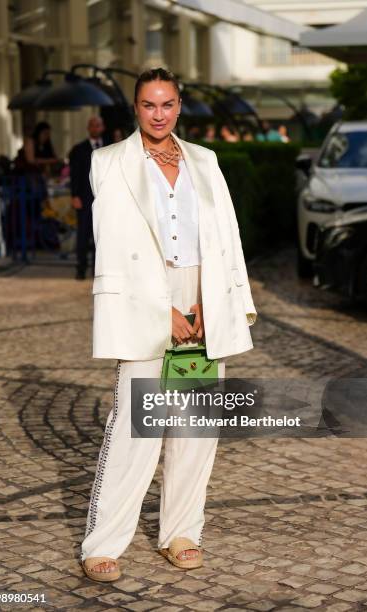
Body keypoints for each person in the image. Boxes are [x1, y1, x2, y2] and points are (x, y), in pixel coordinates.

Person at [80, 68, 257, 581]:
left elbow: (226, 235)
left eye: (168, 104)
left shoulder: (205, 160)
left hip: (202, 297)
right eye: (148, 105)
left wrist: (209, 302)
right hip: (145, 299)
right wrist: (165, 311)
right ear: (135, 108)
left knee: (195, 428)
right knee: (136, 428)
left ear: (180, 105)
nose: (159, 115)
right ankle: (104, 543)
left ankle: (181, 532)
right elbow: (112, 249)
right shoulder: (108, 163)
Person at [69, 116, 107, 280]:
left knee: (102, 235)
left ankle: (98, 270)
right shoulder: (79, 149)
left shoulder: (109, 147)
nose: (95, 128)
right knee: (83, 235)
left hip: (105, 199)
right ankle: (81, 268)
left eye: (98, 125)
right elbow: (75, 175)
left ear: (102, 127)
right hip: (84, 198)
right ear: (88, 128)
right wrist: (75, 195)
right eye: (92, 125)